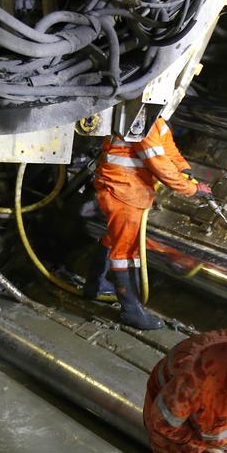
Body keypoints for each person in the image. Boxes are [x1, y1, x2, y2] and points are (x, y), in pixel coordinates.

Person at [87, 116, 213, 329]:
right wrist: (191, 189)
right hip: (123, 189)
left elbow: (167, 147)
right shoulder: (142, 117)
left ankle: (94, 285)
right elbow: (158, 163)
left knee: (113, 239)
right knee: (126, 251)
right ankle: (132, 311)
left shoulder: (155, 117)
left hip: (129, 187)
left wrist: (184, 168)